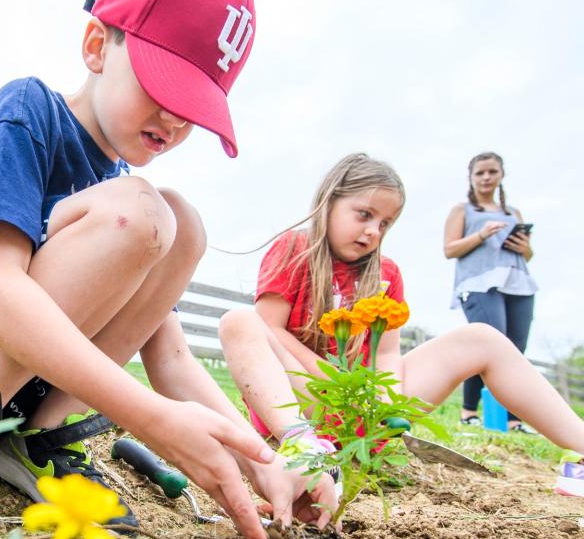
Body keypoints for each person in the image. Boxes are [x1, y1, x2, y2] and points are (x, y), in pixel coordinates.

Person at [0, 0, 338, 539]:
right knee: (146, 214)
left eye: (193, 106)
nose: (173, 118)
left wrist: (267, 460)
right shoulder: (27, 113)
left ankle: (32, 437)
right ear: (96, 45)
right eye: (163, 86)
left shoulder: (119, 189)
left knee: (182, 222)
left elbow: (166, 355)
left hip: (4, 373)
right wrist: (151, 420)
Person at [218, 153, 584, 483]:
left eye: (385, 224)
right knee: (240, 320)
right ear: (329, 202)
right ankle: (304, 447)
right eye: (364, 214)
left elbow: (386, 354)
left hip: (365, 411)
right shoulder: (293, 249)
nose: (373, 231)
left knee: (482, 338)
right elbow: (270, 330)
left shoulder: (386, 273)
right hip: (303, 403)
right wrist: (329, 378)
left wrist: (385, 399)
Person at [444, 152, 537, 432]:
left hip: (517, 283)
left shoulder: (513, 213)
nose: (486, 178)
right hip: (478, 284)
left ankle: (514, 419)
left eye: (492, 172)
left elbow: (528, 255)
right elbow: (449, 249)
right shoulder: (463, 210)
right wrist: (482, 235)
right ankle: (469, 412)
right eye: (480, 173)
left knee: (515, 351)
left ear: (501, 175)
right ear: (471, 178)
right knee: (488, 344)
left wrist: (524, 248)